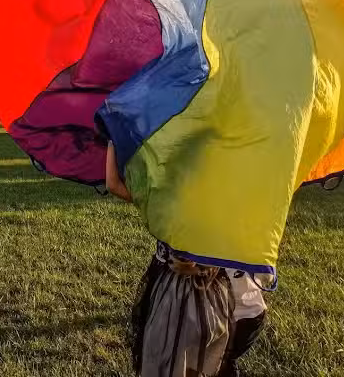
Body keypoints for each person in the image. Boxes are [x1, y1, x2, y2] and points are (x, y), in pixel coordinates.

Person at [106, 141, 265, 377]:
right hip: (240, 309)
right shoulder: (232, 201)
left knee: (185, 360)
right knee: (213, 362)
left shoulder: (164, 198)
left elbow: (114, 185)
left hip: (198, 307)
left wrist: (114, 135)